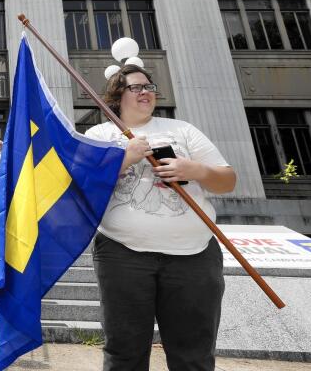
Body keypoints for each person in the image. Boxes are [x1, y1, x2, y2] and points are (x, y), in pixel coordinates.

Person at [84, 65, 237, 371]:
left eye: (149, 87)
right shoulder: (99, 135)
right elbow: (83, 185)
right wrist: (125, 158)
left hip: (194, 257)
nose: (145, 92)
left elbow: (227, 180)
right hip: (122, 255)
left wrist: (194, 170)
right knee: (124, 352)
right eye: (136, 88)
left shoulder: (183, 129)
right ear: (117, 96)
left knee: (193, 354)